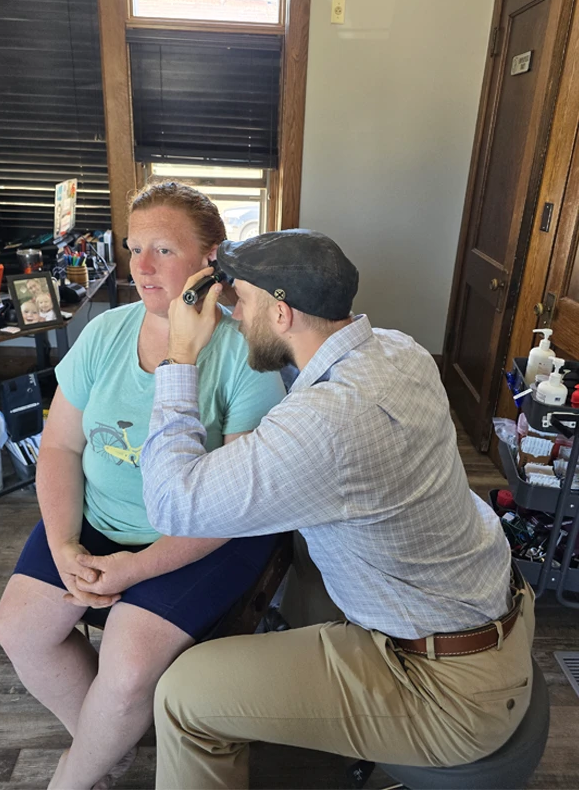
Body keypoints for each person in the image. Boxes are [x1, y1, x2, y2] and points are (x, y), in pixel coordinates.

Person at [140, 229, 535, 790]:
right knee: (300, 550)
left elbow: (170, 504)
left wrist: (179, 355)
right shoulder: (401, 350)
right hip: (495, 617)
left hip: (447, 691)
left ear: (281, 312)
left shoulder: (327, 426)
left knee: (182, 696)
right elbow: (305, 370)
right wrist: (246, 304)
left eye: (241, 301)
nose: (232, 308)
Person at [0, 183, 286, 790]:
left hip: (199, 534)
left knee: (126, 672)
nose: (142, 267)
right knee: (19, 628)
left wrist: (134, 570)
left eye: (162, 250)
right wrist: (66, 544)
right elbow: (61, 446)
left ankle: (75, 774)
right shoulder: (104, 335)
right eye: (134, 248)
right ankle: (107, 747)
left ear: (211, 260)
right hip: (100, 518)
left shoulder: (245, 355)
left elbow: (232, 503)